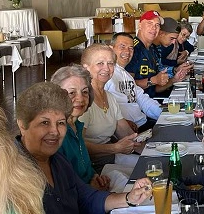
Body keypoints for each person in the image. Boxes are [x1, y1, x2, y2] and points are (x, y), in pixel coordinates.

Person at [16, 82, 152, 214]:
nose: (55, 131)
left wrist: (130, 198)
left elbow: (86, 198)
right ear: (22, 125)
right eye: (44, 123)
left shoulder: (57, 160)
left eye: (60, 123)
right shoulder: (12, 172)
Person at [79, 45, 144, 173]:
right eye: (100, 63)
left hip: (111, 156)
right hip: (92, 166)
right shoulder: (83, 101)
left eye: (110, 63)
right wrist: (115, 148)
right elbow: (78, 146)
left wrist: (152, 152)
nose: (107, 68)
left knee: (155, 165)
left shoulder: (109, 97)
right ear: (86, 68)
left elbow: (125, 133)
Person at [50, 65, 111, 192]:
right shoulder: (56, 135)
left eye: (85, 92)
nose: (80, 99)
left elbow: (84, 166)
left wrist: (95, 176)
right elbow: (62, 185)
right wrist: (90, 188)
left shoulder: (76, 125)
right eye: (72, 93)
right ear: (56, 96)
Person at [126, 10, 189, 97]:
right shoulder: (132, 49)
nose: (154, 28)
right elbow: (127, 85)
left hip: (153, 99)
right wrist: (153, 80)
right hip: (138, 103)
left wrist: (174, 79)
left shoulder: (153, 49)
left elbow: (155, 88)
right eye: (149, 23)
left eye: (157, 25)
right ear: (140, 26)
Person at [107, 32, 161, 131]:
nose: (127, 52)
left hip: (144, 125)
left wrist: (164, 114)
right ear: (111, 49)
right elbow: (101, 108)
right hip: (128, 130)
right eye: (122, 47)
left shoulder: (127, 75)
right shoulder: (106, 75)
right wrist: (121, 123)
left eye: (131, 48)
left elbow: (143, 100)